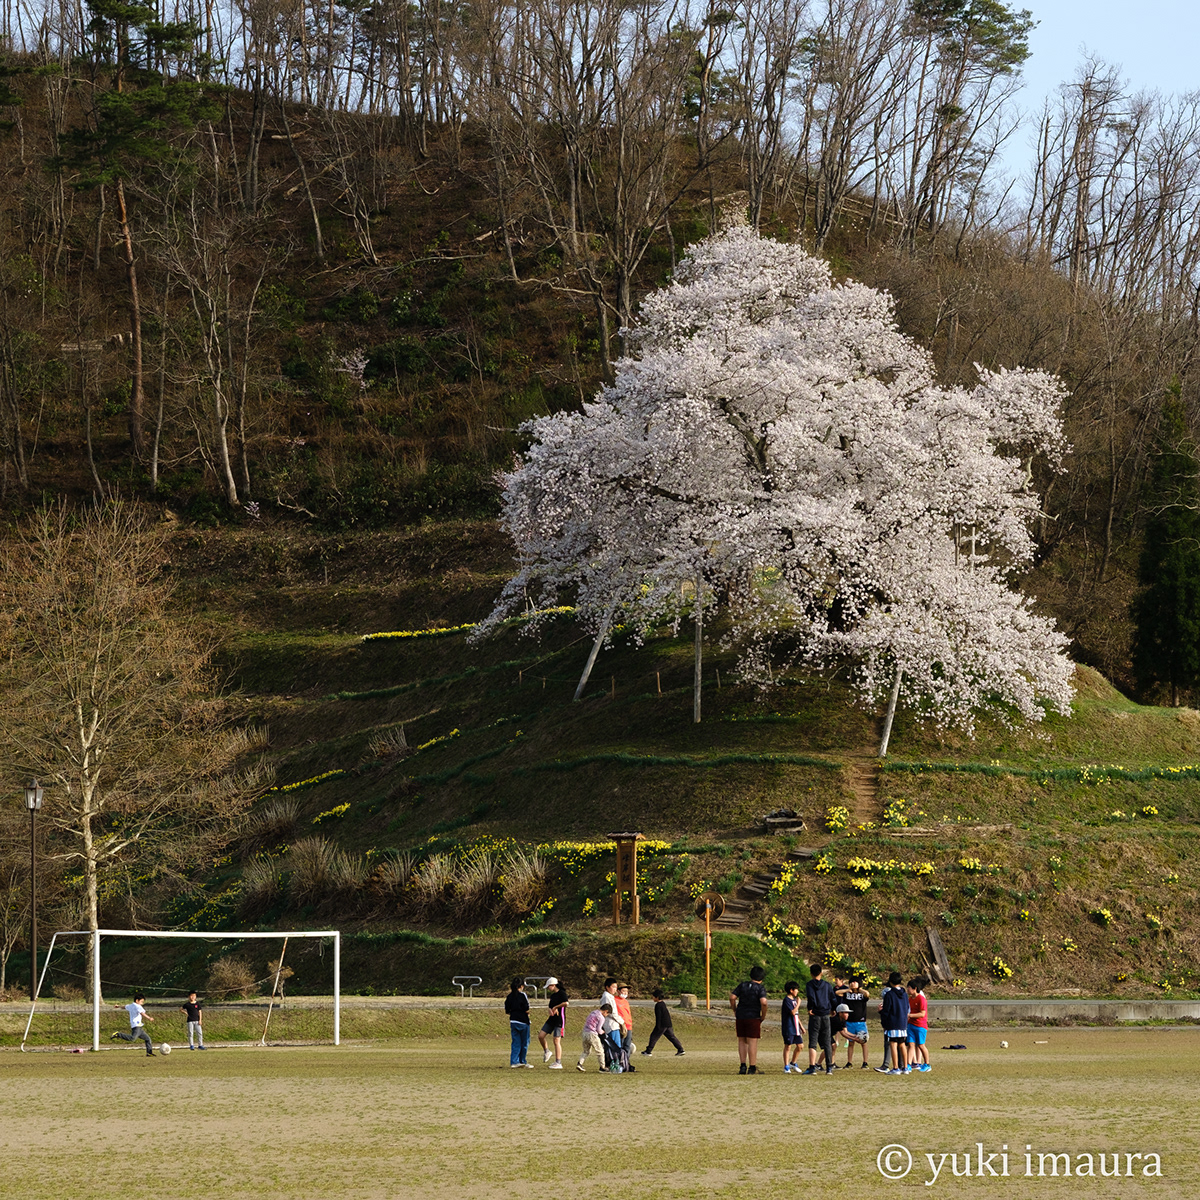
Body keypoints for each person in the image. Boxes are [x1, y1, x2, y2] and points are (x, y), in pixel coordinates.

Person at [729, 965, 768, 1074]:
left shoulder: (743, 985)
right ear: (762, 978)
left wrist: (735, 1009)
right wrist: (763, 1015)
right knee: (752, 1041)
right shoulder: (760, 988)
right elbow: (764, 1002)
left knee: (742, 1040)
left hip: (741, 1015)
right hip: (753, 1016)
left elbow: (732, 997)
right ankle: (752, 1066)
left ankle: (742, 1066)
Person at [803, 963, 836, 1075]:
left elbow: (811, 997)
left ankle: (812, 1067)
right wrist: (833, 1009)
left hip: (815, 1015)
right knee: (827, 1041)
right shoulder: (827, 985)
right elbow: (832, 998)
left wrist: (810, 1008)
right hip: (826, 1015)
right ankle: (829, 1068)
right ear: (821, 973)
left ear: (811, 973)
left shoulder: (809, 985)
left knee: (813, 1041)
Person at [876, 971, 910, 1075]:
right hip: (903, 1023)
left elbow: (886, 1010)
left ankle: (895, 1068)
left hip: (893, 1023)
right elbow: (907, 1008)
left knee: (893, 1044)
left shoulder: (889, 994)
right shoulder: (904, 994)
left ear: (890, 981)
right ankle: (905, 1067)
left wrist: (881, 1013)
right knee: (902, 1044)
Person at [840, 976, 871, 1068]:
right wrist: (847, 990)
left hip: (860, 1022)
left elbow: (867, 994)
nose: (852, 983)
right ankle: (849, 1062)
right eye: (851, 982)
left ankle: (865, 1062)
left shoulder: (862, 995)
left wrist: (860, 989)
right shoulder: (847, 994)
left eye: (855, 982)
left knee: (863, 1042)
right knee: (851, 1043)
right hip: (850, 1022)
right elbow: (837, 993)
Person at [643, 988, 685, 1056]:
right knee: (672, 1037)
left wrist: (658, 1026)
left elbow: (659, 1017)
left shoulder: (658, 1005)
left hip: (662, 1025)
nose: (652, 998)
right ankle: (680, 1049)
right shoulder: (663, 1004)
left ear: (657, 997)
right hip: (668, 1024)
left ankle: (648, 1051)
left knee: (653, 1036)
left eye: (653, 997)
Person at [537, 976, 569, 1069]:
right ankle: (547, 1051)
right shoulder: (553, 996)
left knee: (556, 1040)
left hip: (559, 1020)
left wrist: (556, 1007)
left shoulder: (562, 993)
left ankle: (558, 1062)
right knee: (541, 1036)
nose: (548, 988)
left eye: (549, 986)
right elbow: (550, 1006)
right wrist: (550, 1010)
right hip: (551, 1020)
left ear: (553, 985)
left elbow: (566, 1003)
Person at [505, 977, 535, 1068]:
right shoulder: (522, 995)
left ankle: (514, 1061)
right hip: (523, 1021)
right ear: (521, 986)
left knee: (515, 1042)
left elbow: (507, 1010)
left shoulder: (509, 996)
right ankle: (522, 1061)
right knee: (525, 1042)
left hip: (513, 1021)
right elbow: (526, 1008)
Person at [578, 1003, 611, 1071]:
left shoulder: (593, 1012)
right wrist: (603, 1032)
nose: (606, 1015)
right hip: (592, 1034)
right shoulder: (601, 1018)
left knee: (586, 1051)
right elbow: (598, 1029)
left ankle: (580, 1063)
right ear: (605, 1011)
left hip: (585, 1033)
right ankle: (602, 1067)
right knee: (600, 1051)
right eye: (607, 1014)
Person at [907, 977, 930, 1072]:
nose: (907, 989)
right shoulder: (909, 999)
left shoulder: (921, 999)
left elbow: (922, 1013)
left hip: (920, 1026)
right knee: (911, 1045)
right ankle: (908, 1064)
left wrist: (910, 1015)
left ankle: (927, 1064)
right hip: (911, 1025)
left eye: (909, 988)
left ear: (915, 988)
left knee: (921, 1045)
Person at [781, 980, 804, 1073]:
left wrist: (801, 1026)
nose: (797, 991)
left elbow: (796, 1015)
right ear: (791, 990)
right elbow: (792, 1012)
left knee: (800, 1046)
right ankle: (786, 1066)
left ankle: (793, 1063)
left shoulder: (794, 1000)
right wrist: (799, 1003)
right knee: (788, 1046)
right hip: (789, 1027)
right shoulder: (787, 1000)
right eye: (796, 989)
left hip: (796, 1028)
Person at [615, 984, 636, 1070]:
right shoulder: (615, 1000)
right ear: (618, 991)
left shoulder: (626, 1002)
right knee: (621, 1045)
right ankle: (619, 1063)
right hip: (620, 1026)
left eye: (626, 991)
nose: (625, 993)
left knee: (627, 1046)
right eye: (623, 991)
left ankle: (626, 1062)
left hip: (628, 1026)